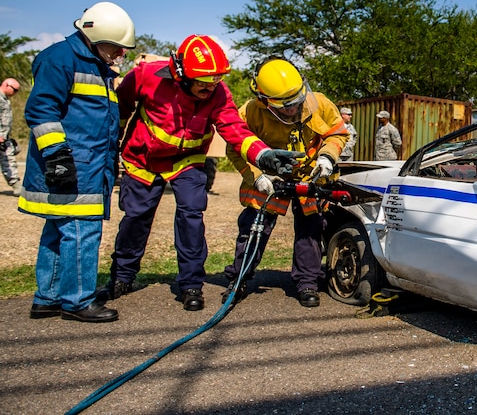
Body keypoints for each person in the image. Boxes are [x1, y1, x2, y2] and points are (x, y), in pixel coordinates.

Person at [109, 35, 300, 311]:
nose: (211, 87)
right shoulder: (146, 76)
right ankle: (122, 277)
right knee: (136, 218)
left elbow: (235, 129)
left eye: (216, 79)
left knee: (191, 218)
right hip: (143, 159)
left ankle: (190, 285)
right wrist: (113, 139)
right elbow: (121, 108)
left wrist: (264, 155)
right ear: (181, 75)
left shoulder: (219, 93)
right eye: (204, 81)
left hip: (187, 160)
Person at [19, 2, 135, 323]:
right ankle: (78, 301)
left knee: (58, 232)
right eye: (117, 48)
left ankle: (48, 298)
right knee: (82, 233)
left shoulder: (94, 64)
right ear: (96, 37)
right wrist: (57, 155)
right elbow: (41, 111)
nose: (120, 55)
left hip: (82, 164)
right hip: (75, 165)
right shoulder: (60, 59)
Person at [222, 59, 348, 308]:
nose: (294, 109)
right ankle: (239, 280)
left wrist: (327, 157)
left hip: (310, 175)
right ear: (265, 101)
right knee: (254, 228)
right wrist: (257, 177)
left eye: (297, 102)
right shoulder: (250, 112)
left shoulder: (319, 102)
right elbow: (236, 148)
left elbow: (337, 133)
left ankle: (308, 282)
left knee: (311, 230)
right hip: (269, 178)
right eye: (286, 106)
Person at [0, 78, 22, 195]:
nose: (15, 93)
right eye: (15, 90)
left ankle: (16, 185)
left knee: (8, 159)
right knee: (7, 159)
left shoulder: (5, 99)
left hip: (4, 138)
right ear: (6, 85)